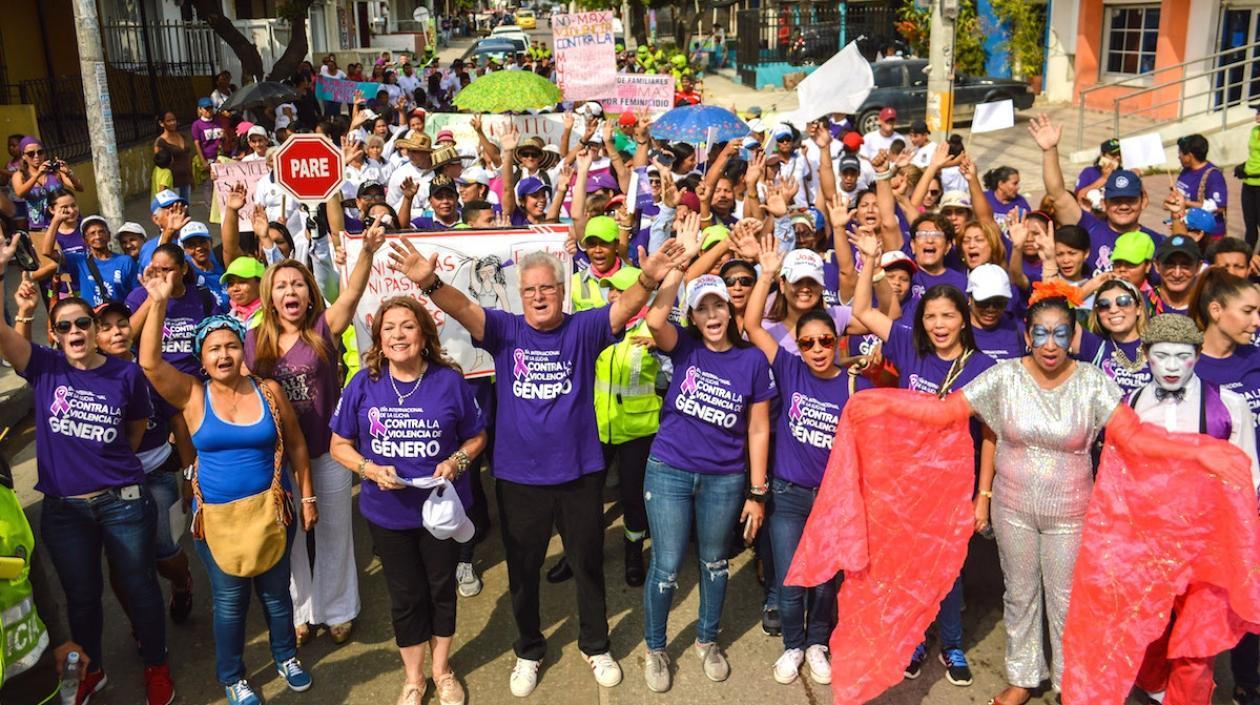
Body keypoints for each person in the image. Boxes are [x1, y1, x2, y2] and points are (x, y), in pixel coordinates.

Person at [383, 228, 688, 698]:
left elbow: (624, 308)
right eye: (530, 289)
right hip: (518, 478)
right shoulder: (505, 330)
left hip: (579, 474)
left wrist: (648, 279)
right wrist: (429, 284)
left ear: (561, 292)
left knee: (587, 564)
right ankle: (528, 650)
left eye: (548, 287)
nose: (539, 295)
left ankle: (595, 644)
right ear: (518, 294)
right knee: (522, 573)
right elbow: (464, 308)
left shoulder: (582, 329)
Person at [0, 235, 176, 705]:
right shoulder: (44, 367)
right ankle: (88, 670)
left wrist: (110, 467)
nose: (75, 330)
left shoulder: (125, 374)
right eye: (65, 326)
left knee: (139, 586)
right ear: (54, 334)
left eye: (84, 322)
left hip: (123, 501)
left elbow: (135, 429)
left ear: (96, 330)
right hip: (64, 511)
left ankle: (158, 666)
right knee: (80, 598)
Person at [138, 270, 315, 705]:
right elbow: (148, 363)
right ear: (202, 357)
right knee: (231, 605)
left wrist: (307, 496)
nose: (223, 354)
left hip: (273, 511)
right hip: (216, 520)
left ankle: (286, 657)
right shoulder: (193, 396)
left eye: (231, 345)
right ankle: (233, 676)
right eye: (214, 348)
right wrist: (158, 302)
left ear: (243, 350)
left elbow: (295, 445)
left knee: (276, 596)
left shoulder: (269, 391)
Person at [963, 282, 1122, 705]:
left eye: (1060, 333)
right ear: (1027, 334)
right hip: (1012, 505)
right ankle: (1023, 676)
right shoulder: (1004, 376)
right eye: (1040, 332)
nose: (1050, 344)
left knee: (1067, 599)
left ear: (1073, 336)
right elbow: (956, 420)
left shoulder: (1093, 382)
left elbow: (1132, 439)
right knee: (1019, 592)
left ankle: (1070, 684)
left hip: (1072, 511)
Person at [851, 228, 994, 686]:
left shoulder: (981, 367)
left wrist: (983, 497)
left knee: (947, 571)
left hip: (954, 488)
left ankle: (951, 645)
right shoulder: (909, 346)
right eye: (931, 315)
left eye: (947, 316)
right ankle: (913, 638)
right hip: (905, 485)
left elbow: (990, 435)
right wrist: (869, 263)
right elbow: (859, 311)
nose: (938, 325)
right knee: (909, 566)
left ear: (962, 319)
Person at [330, 297, 487, 705]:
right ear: (378, 339)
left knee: (440, 590)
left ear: (424, 334)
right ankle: (414, 678)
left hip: (440, 511)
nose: (398, 335)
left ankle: (443, 670)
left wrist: (456, 461)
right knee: (405, 595)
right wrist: (367, 469)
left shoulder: (450, 380)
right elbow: (338, 444)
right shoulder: (362, 383)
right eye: (389, 328)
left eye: (408, 326)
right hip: (387, 514)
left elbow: (477, 436)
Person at [245, 226, 385, 646]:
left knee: (334, 530)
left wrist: (366, 254)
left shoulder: (325, 328)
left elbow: (352, 296)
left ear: (309, 294)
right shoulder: (252, 341)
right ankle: (300, 612)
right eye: (282, 284)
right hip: (278, 459)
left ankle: (338, 609)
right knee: (289, 539)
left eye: (298, 284)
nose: (291, 290)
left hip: (328, 449)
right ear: (270, 296)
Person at [641, 259, 772, 692]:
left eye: (719, 307)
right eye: (703, 308)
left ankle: (707, 640)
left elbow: (757, 427)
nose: (713, 316)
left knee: (715, 563)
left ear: (731, 313)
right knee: (666, 565)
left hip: (725, 479)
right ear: (693, 316)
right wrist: (678, 269)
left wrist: (757, 491)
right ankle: (656, 647)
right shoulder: (684, 347)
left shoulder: (751, 361)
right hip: (670, 471)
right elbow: (655, 317)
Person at [745, 234, 863, 687]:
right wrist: (767, 273)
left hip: (832, 500)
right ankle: (793, 645)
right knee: (792, 579)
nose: (816, 349)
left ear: (836, 341)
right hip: (789, 495)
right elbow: (755, 325)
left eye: (825, 341)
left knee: (825, 583)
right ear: (798, 341)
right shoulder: (789, 367)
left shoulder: (853, 384)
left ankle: (818, 644)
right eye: (808, 341)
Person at [89, 301, 196, 626]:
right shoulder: (87, 378)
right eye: (105, 327)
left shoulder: (151, 371)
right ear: (93, 336)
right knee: (122, 561)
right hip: (110, 485)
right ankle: (141, 629)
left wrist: (191, 476)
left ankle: (181, 583)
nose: (116, 331)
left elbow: (178, 422)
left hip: (156, 473)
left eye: (122, 323)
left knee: (163, 549)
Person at [1189, 268, 1260, 705]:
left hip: (1256, 497)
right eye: (1248, 310)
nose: (1256, 320)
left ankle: (1248, 680)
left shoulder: (1257, 358)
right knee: (1206, 599)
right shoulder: (1185, 363)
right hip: (1204, 509)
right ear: (1216, 311)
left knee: (1252, 592)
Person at [126, 243, 222, 375]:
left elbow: (219, 337)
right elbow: (127, 337)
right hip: (154, 382)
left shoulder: (203, 297)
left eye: (166, 270)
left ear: (184, 269)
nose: (160, 275)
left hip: (196, 380)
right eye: (155, 270)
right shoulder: (139, 297)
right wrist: (153, 299)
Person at [41, 214, 139, 307]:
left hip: (118, 318)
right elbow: (47, 252)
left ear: (109, 236)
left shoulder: (125, 262)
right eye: (92, 233)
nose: (98, 236)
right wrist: (56, 220)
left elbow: (136, 293)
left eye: (101, 232)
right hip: (92, 320)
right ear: (85, 239)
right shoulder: (79, 261)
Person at [1074, 278, 1150, 395]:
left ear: (1138, 308)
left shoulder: (1157, 346)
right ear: (1097, 313)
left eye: (1123, 301)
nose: (1113, 310)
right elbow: (1055, 311)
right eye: (1104, 305)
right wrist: (1089, 287)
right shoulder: (1093, 346)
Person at [11, 137, 81, 232]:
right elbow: (20, 193)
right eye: (31, 154)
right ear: (23, 156)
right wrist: (37, 175)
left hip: (64, 222)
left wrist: (68, 173)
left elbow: (79, 188)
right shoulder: (19, 175)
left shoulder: (55, 172)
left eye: (40, 152)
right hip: (39, 226)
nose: (36, 156)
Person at [1173, 134, 1227, 237]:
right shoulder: (1185, 170)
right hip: (1187, 229)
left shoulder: (1213, 175)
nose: (1178, 156)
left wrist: (1185, 203)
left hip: (1208, 234)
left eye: (1180, 153)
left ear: (1190, 156)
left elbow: (1219, 207)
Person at [154, 111, 193, 203]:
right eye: (169, 121)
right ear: (161, 123)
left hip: (185, 180)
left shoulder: (182, 136)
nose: (172, 123)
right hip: (172, 183)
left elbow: (187, 157)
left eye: (174, 120)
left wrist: (191, 177)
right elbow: (159, 165)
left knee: (185, 210)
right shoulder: (160, 142)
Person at [1241, 106, 1260, 250]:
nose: (1257, 115)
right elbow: (1254, 156)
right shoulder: (1255, 131)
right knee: (1250, 223)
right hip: (1248, 183)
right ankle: (1247, 256)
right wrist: (1243, 167)